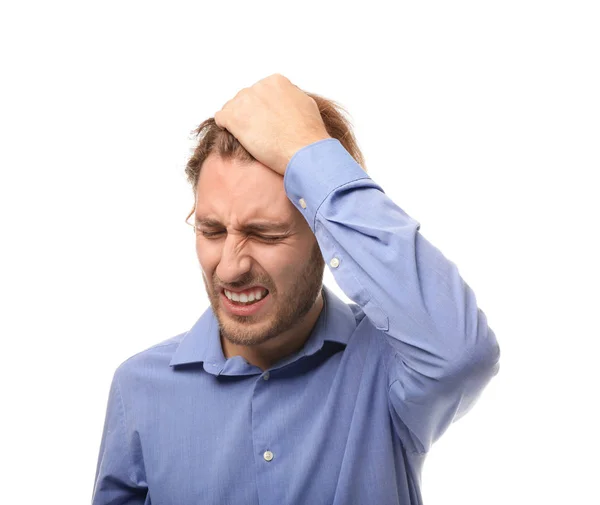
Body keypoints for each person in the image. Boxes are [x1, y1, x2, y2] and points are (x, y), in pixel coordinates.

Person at [92, 73, 500, 505]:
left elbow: (464, 354)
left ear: (325, 240)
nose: (229, 269)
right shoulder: (138, 388)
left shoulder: (389, 365)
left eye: (265, 235)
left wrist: (312, 156)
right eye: (212, 230)